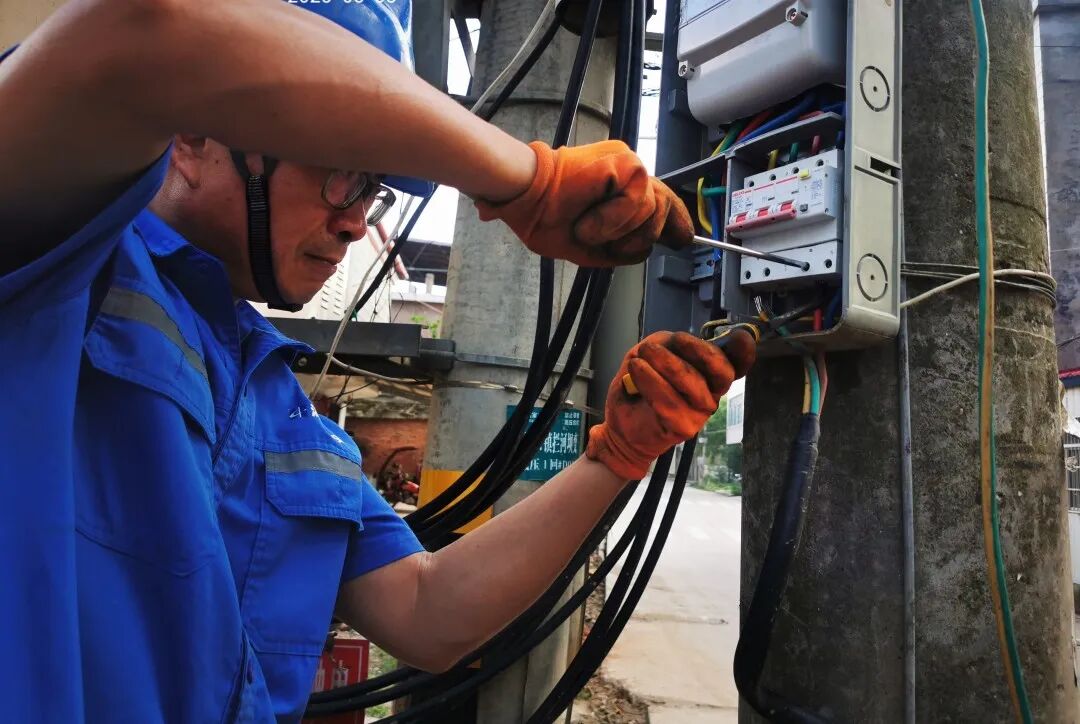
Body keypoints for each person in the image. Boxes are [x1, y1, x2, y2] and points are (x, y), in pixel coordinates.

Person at [0, 0, 755, 720]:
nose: (357, 222)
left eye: (374, 191)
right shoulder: (53, 249)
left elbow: (428, 611)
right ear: (195, 137)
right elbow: (142, 36)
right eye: (343, 173)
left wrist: (617, 456)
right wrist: (527, 178)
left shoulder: (282, 407)